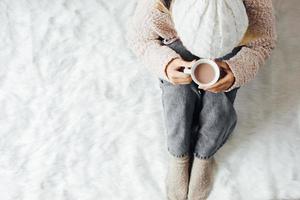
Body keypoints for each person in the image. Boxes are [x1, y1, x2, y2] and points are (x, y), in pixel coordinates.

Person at [126, 0, 277, 199]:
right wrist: (166, 64)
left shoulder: (257, 4)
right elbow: (140, 40)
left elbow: (263, 43)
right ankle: (178, 153)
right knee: (177, 97)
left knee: (218, 104)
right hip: (176, 42)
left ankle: (205, 153)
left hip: (232, 47)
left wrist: (236, 70)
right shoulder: (155, 7)